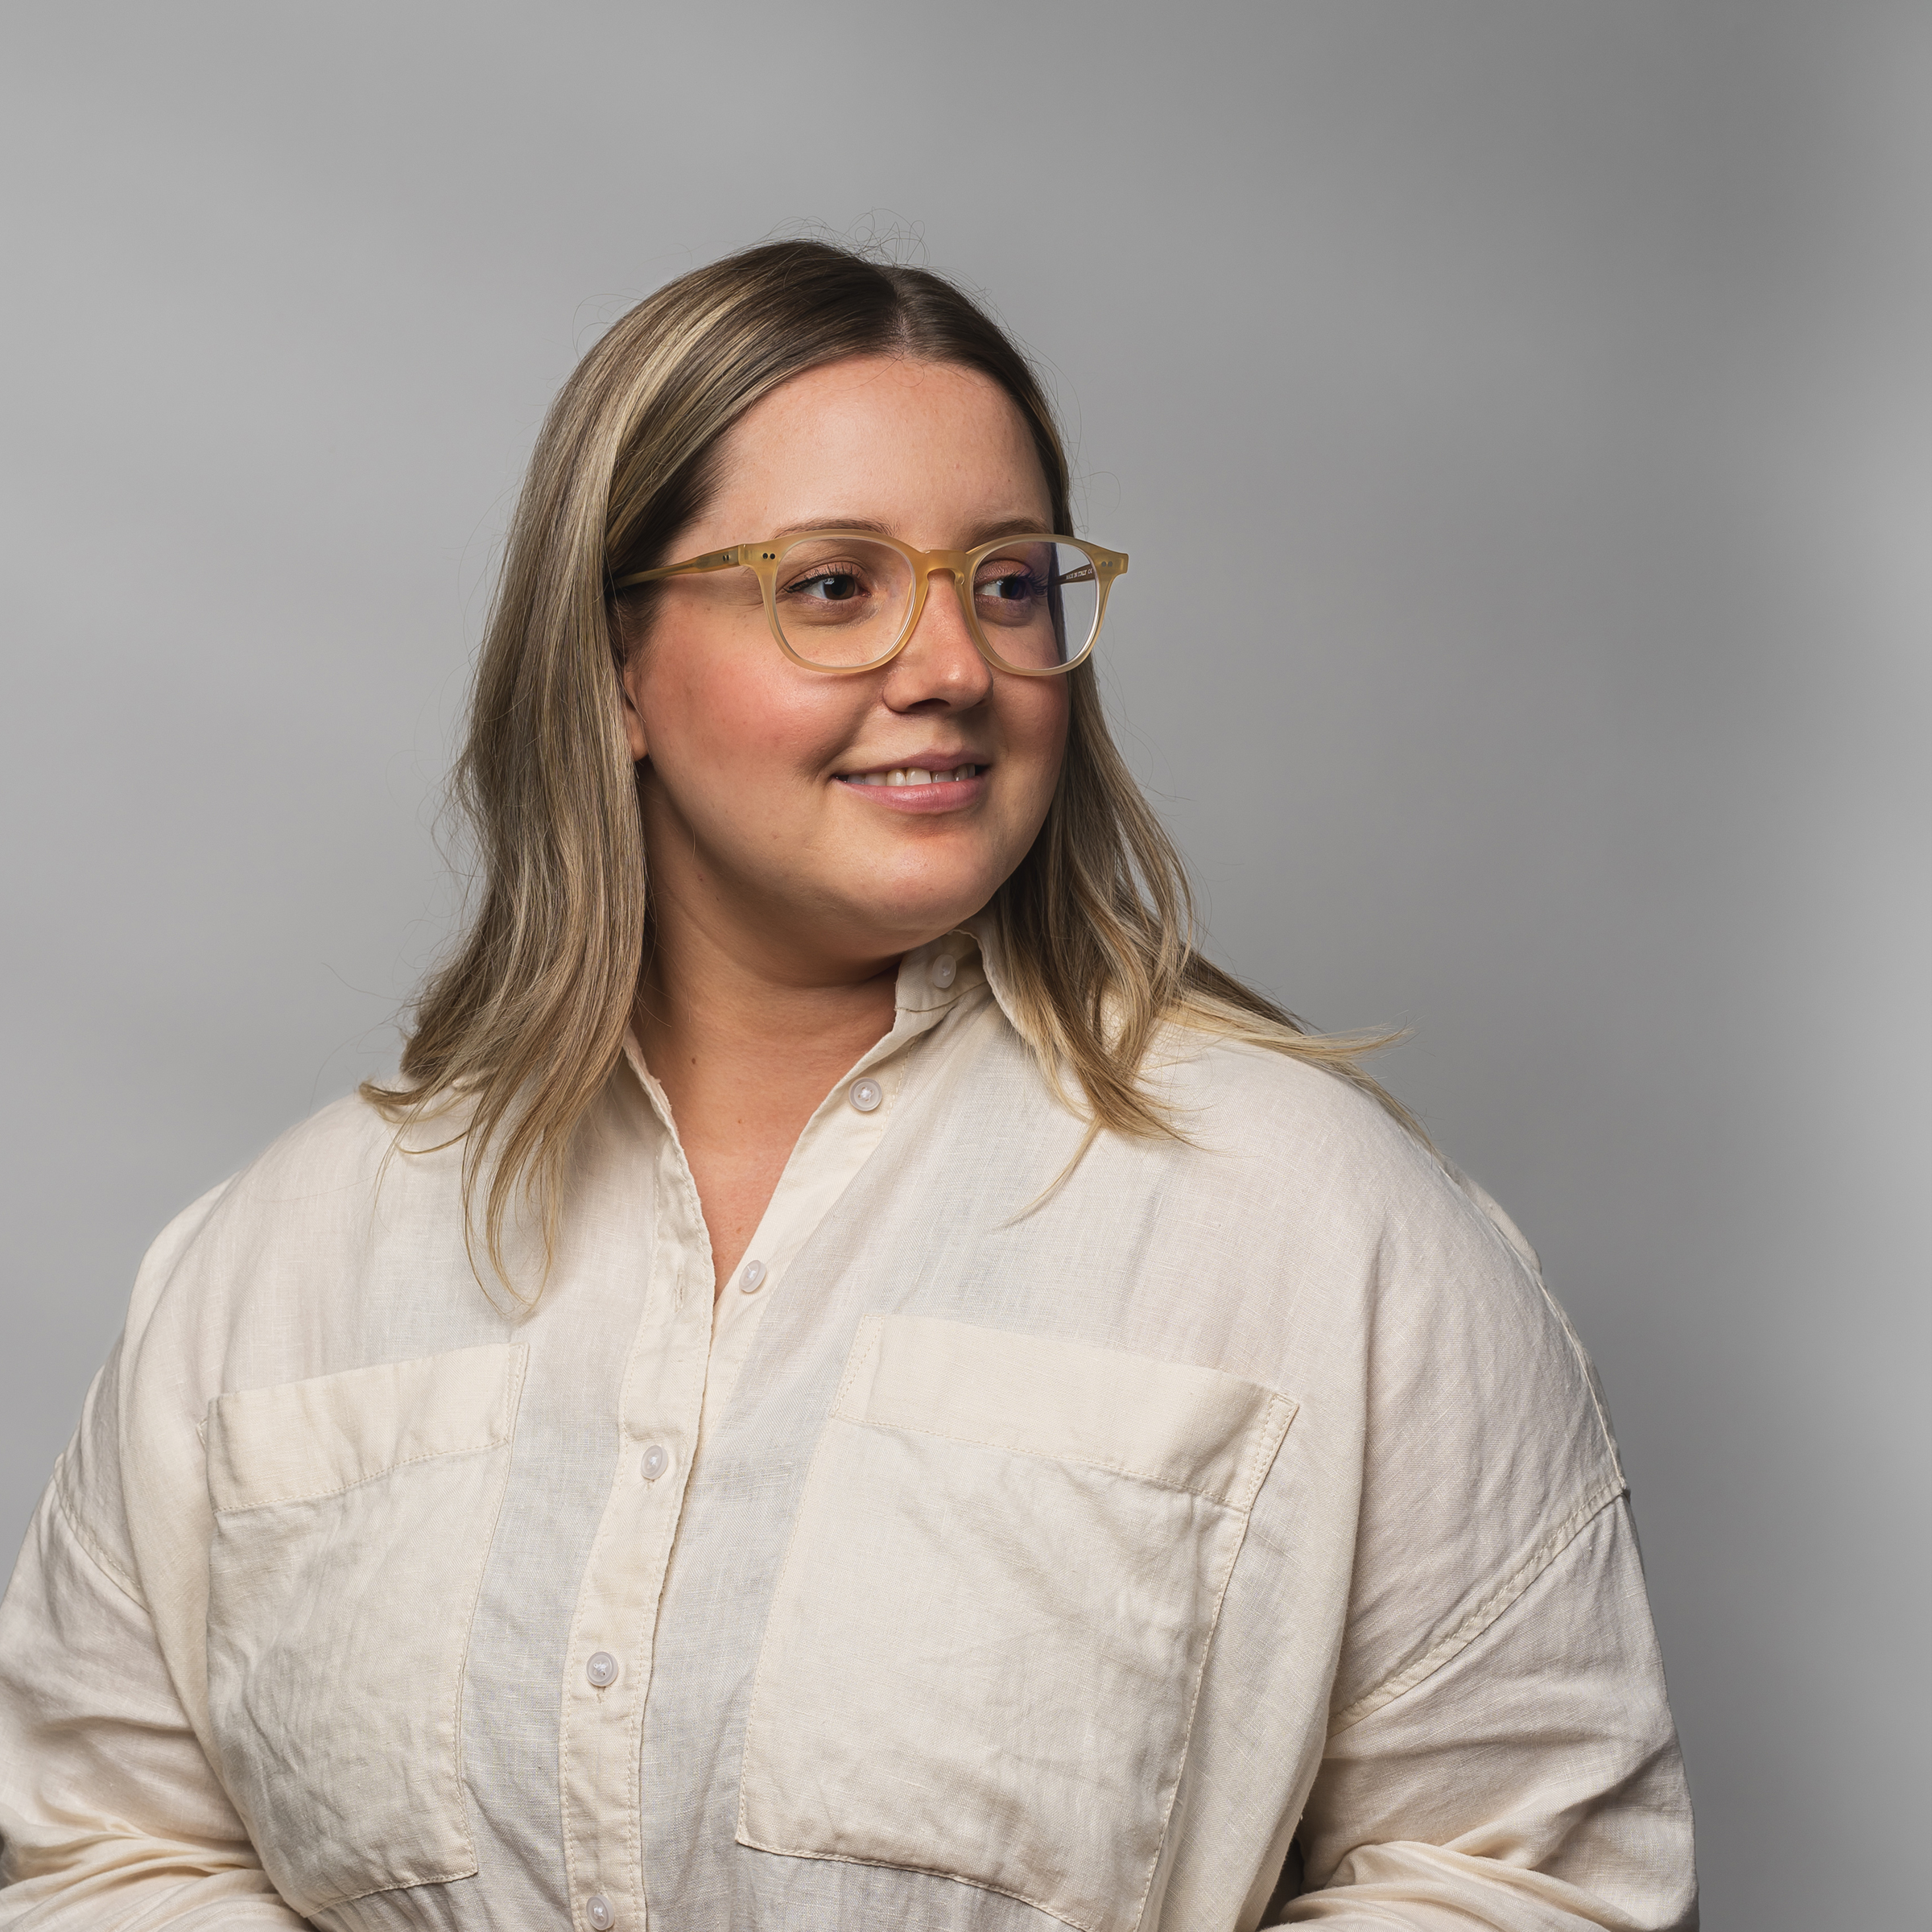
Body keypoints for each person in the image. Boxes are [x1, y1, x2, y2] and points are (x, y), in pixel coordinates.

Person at [0, 240, 1696, 1932]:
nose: (954, 665)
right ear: (612, 668)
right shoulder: (276, 1268)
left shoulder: (1322, 1229)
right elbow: (99, 1856)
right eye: (833, 586)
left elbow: (1536, 1881)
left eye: (1009, 582)